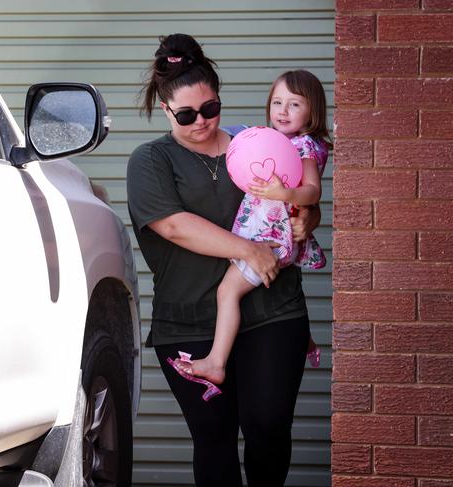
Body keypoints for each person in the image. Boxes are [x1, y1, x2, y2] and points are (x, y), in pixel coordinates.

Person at [127, 33, 320, 487]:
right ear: (165, 109)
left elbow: (297, 196)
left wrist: (308, 217)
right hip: (190, 322)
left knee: (268, 428)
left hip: (273, 312)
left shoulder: (256, 144)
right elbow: (173, 225)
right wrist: (248, 248)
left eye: (210, 108)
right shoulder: (150, 161)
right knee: (213, 438)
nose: (202, 121)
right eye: (188, 114)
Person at [174, 69, 331, 386]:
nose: (283, 111)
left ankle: (216, 363)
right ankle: (306, 341)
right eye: (277, 102)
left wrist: (284, 194)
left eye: (294, 104)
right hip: (268, 231)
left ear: (313, 111)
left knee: (228, 291)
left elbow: (313, 191)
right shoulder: (276, 141)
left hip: (270, 240)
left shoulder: (303, 146)